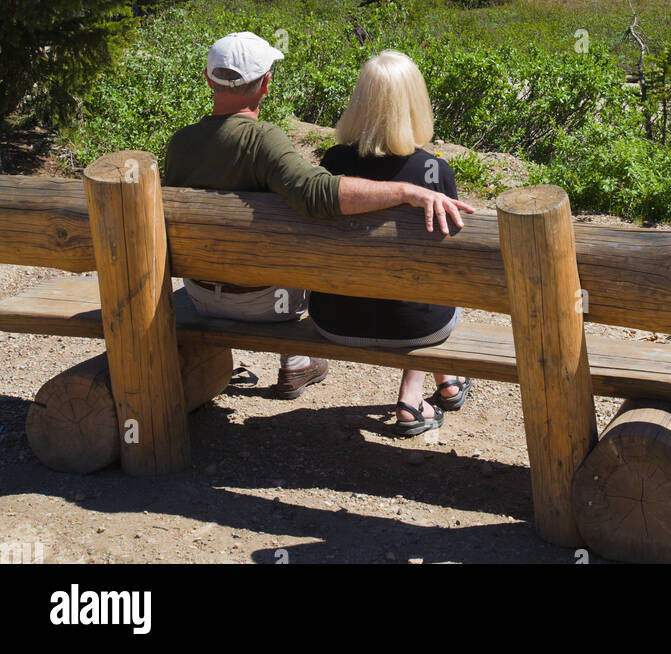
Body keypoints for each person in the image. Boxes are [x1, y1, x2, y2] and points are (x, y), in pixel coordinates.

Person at [164, 33, 473, 401]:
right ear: (266, 84)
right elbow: (317, 194)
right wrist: (407, 191)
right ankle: (300, 363)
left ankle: (298, 363)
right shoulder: (264, 140)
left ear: (207, 77)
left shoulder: (180, 143)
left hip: (200, 295)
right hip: (265, 305)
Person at [308, 51, 471, 437]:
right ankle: (412, 399)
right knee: (424, 285)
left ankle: (447, 382)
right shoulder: (434, 171)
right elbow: (442, 270)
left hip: (335, 319)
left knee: (411, 286)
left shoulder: (332, 163)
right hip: (415, 328)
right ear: (416, 101)